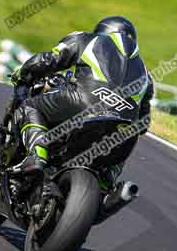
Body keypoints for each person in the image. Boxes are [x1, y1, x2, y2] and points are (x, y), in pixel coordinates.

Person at [10, 16, 153, 194]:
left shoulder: (88, 39)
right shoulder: (146, 73)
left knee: (29, 107)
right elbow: (144, 122)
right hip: (123, 127)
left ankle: (37, 155)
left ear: (101, 30)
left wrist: (23, 72)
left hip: (82, 101)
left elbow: (49, 60)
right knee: (127, 132)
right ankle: (107, 185)